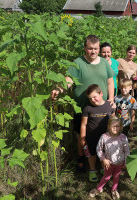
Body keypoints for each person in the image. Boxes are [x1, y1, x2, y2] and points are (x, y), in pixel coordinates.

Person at [51, 35, 115, 172]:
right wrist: (59, 89)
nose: (93, 52)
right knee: (82, 134)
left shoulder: (104, 63)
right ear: (85, 48)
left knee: (103, 132)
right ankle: (81, 159)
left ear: (99, 48)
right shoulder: (78, 63)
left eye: (96, 49)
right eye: (90, 48)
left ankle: (101, 158)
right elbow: (69, 80)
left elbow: (110, 81)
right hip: (81, 106)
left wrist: (111, 98)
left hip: (101, 105)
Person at [80, 84, 115, 182]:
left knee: (105, 152)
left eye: (95, 97)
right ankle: (92, 170)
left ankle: (103, 168)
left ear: (101, 94)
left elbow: (113, 120)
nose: (93, 100)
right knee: (92, 154)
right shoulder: (87, 108)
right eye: (90, 99)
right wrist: (83, 138)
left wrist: (114, 134)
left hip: (106, 137)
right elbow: (83, 124)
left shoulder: (109, 106)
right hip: (92, 136)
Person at [89, 116, 130, 199]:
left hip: (120, 163)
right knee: (106, 177)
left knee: (116, 177)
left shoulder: (123, 138)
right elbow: (99, 149)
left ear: (121, 127)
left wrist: (126, 162)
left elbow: (127, 151)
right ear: (108, 126)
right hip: (109, 164)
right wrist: (103, 159)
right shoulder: (104, 137)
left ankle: (114, 189)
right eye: (113, 126)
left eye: (117, 126)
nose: (115, 128)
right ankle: (99, 188)